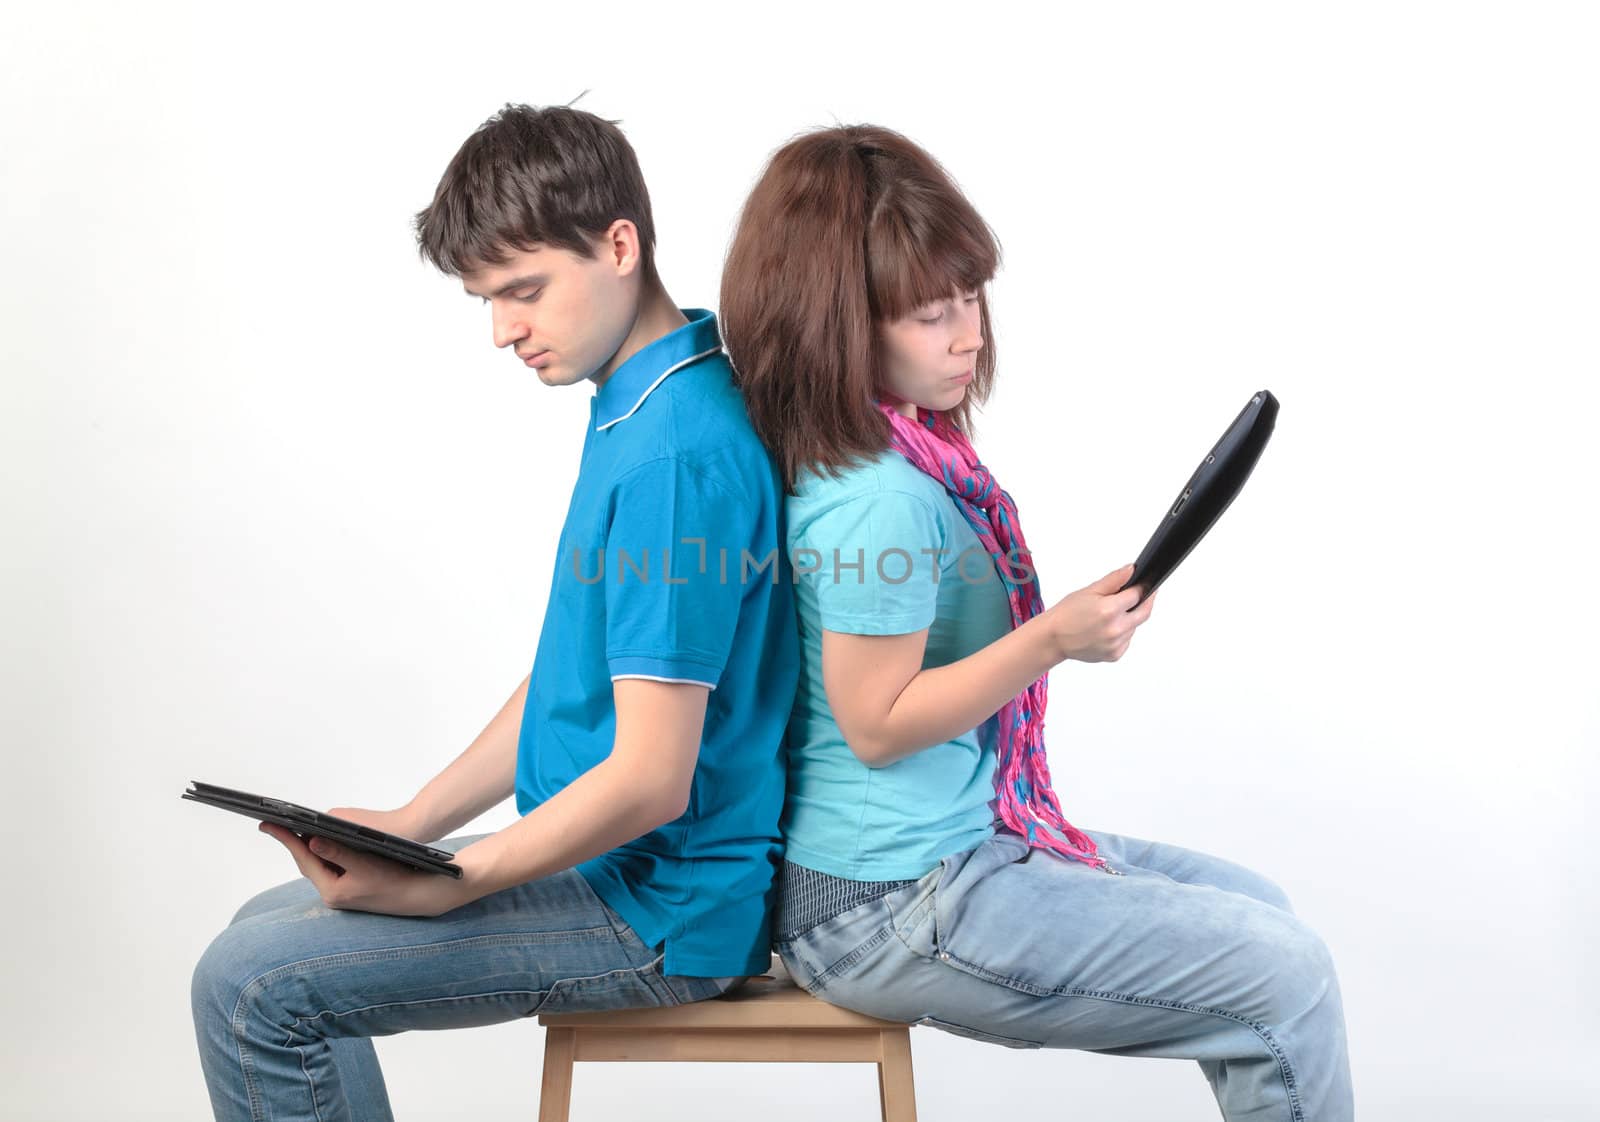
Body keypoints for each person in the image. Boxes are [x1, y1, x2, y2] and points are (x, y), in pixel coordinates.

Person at [718, 124, 1352, 1122]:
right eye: (931, 315)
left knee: (1262, 922)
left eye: (970, 296)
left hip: (949, 845)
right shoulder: (876, 495)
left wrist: (1055, 634)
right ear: (836, 325)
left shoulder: (905, 455)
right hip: (887, 903)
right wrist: (1049, 640)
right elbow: (876, 724)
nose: (968, 333)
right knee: (1287, 976)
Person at [190, 103, 799, 1122]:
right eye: (486, 298)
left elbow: (652, 780)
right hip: (612, 875)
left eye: (524, 291)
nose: (502, 329)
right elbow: (583, 672)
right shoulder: (644, 398)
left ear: (619, 245)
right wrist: (414, 825)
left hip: (654, 911)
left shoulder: (675, 456)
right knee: (263, 926)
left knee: (250, 985)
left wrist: (457, 877)